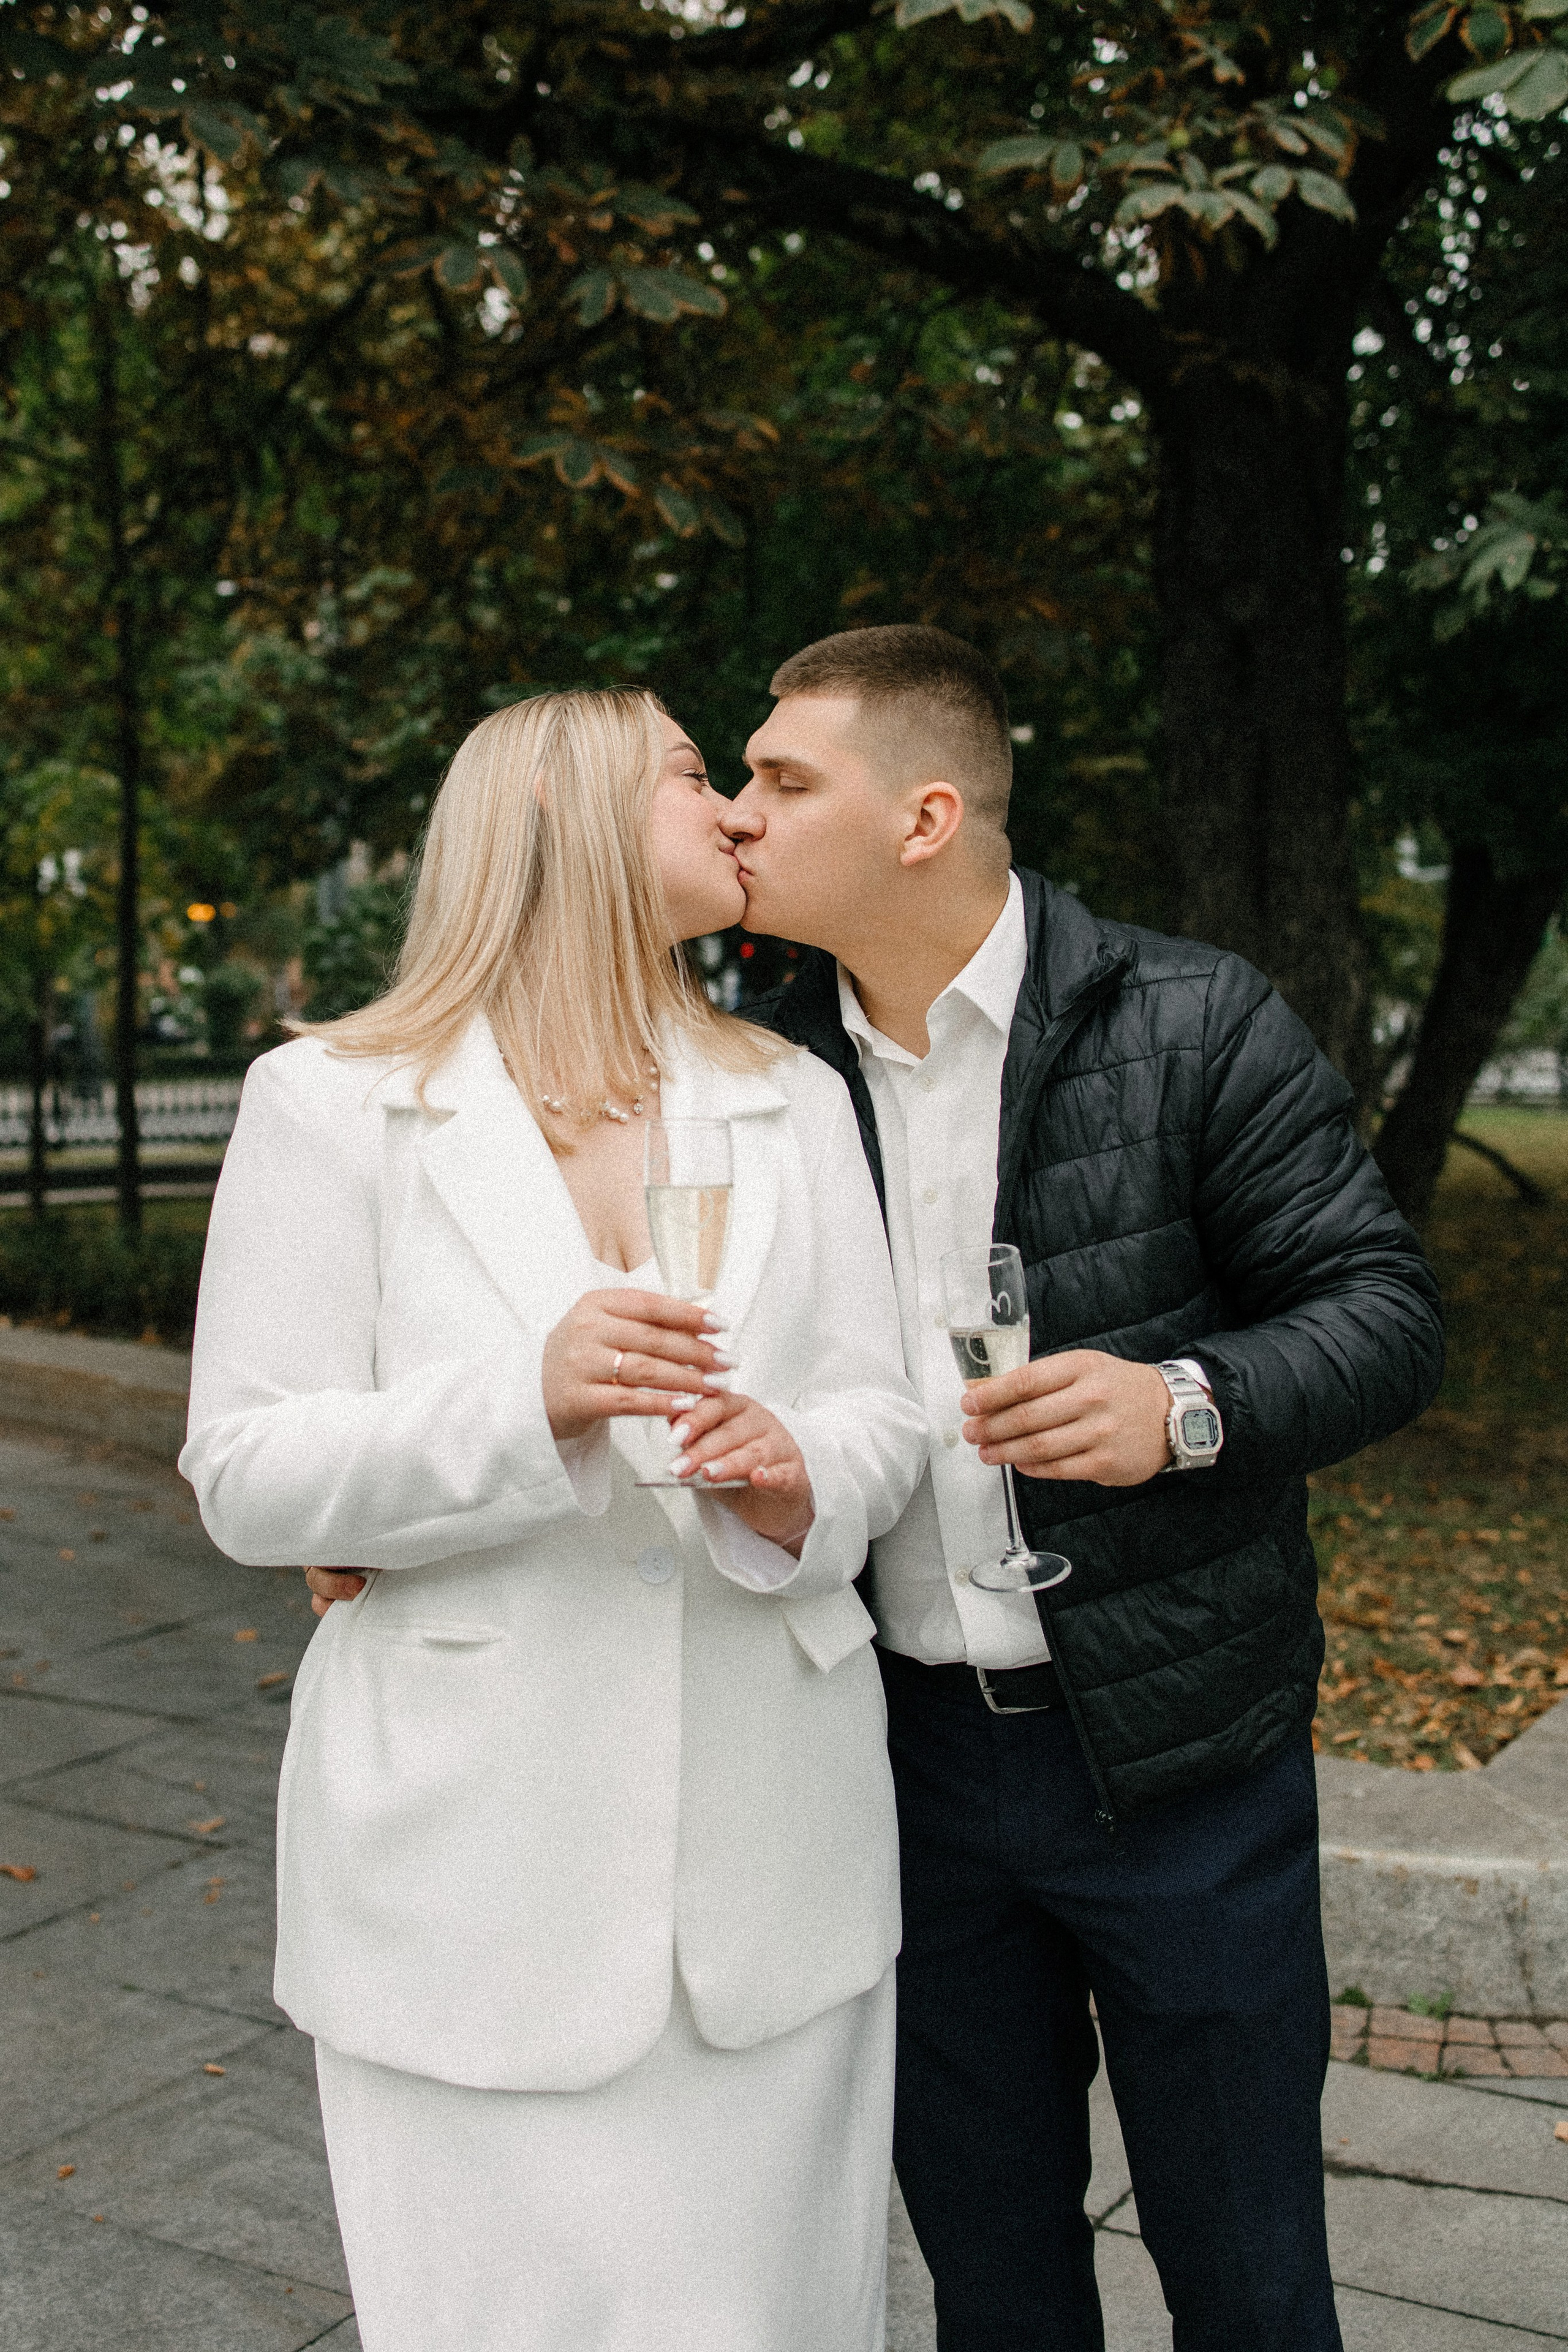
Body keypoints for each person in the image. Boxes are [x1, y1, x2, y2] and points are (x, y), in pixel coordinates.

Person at [712, 625, 1446, 2350]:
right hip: (894, 1763)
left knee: (1250, 2274)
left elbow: (1387, 1315)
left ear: (924, 818)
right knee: (993, 2280)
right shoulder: (753, 1076)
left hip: (1181, 1760)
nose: (739, 813)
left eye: (783, 779)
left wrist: (1181, 1406)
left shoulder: (1193, 1018)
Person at [181, 687, 927, 2352]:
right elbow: (246, 1466)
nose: (735, 809)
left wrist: (797, 1473)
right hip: (468, 1886)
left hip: (771, 1877)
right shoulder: (331, 1101)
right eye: (693, 774)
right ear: (563, 812)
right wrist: (526, 1403)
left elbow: (880, 1419)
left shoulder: (793, 1096)